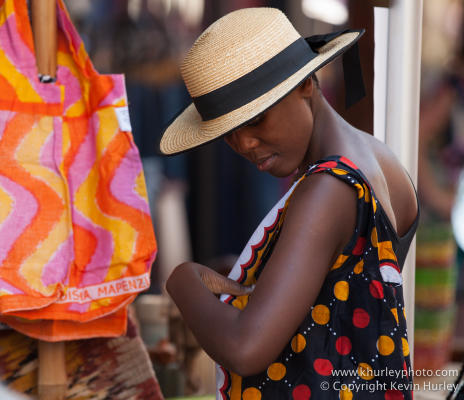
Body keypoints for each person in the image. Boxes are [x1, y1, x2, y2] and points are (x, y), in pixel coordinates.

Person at [160, 8, 419, 399]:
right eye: (228, 133)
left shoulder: (328, 188)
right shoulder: (378, 157)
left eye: (257, 120)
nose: (244, 144)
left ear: (306, 86)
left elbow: (245, 349)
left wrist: (182, 279)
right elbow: (349, 286)